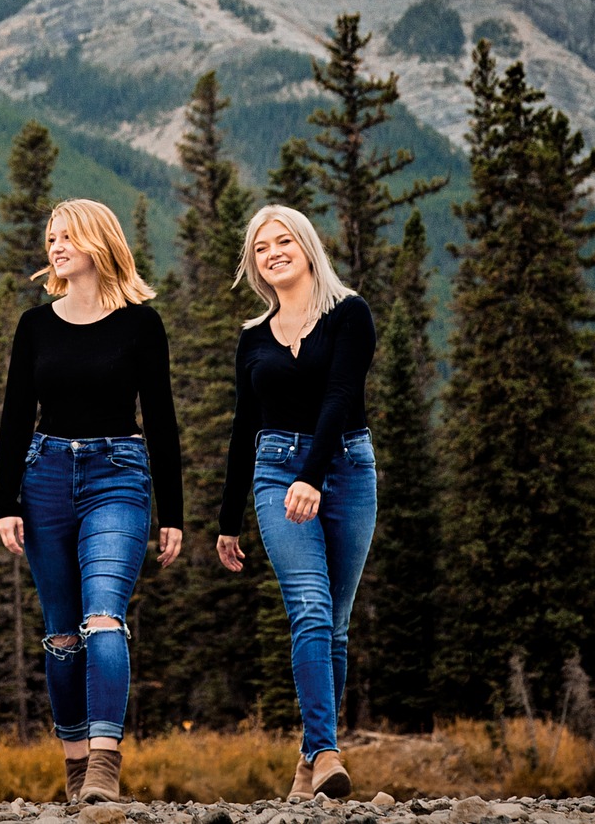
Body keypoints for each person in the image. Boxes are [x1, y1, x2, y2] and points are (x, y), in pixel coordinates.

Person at [0, 199, 183, 805]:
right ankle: (76, 768)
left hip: (118, 475)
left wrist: (171, 513)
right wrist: (5, 501)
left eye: (67, 235)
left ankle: (104, 761)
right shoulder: (35, 326)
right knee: (60, 637)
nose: (55, 245)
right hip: (44, 476)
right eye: (51, 236)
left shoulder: (140, 325)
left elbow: (162, 420)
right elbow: (16, 417)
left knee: (103, 617)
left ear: (99, 242)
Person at [216, 204, 377, 802]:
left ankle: (311, 761)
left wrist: (314, 475)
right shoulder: (253, 337)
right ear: (254, 264)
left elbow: (340, 395)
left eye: (283, 241)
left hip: (348, 468)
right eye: (261, 248)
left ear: (308, 246)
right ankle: (328, 750)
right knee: (309, 609)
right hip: (274, 472)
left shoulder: (349, 315)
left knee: (334, 625)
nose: (272, 253)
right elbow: (242, 427)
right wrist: (229, 519)